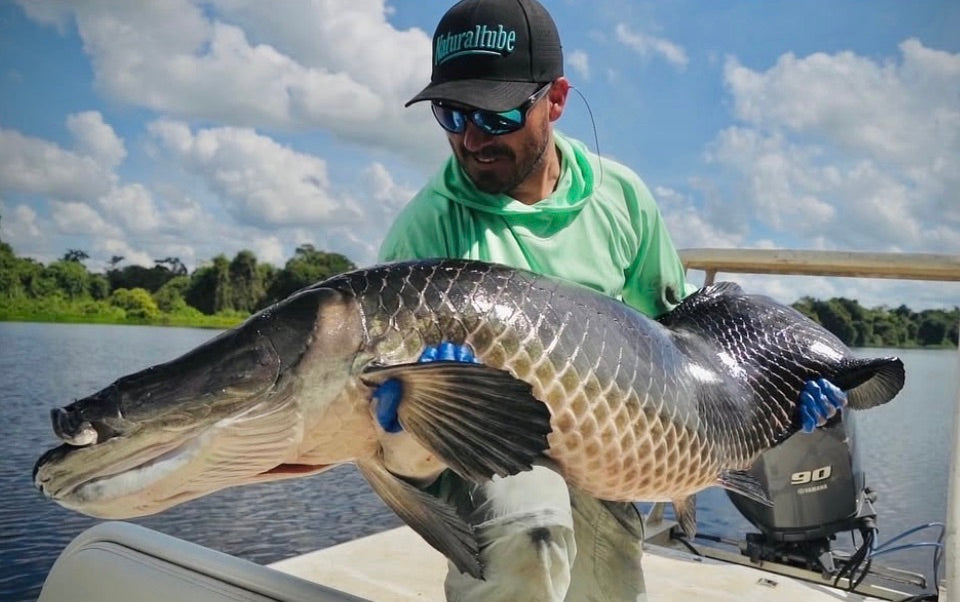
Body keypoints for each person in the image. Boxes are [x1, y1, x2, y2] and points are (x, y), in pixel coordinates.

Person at [375, 1, 846, 600]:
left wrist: (774, 406)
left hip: (602, 451)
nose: (470, 137)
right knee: (532, 525)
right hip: (482, 450)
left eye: (496, 115)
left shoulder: (622, 199)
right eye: (452, 111)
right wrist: (412, 415)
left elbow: (682, 343)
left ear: (557, 100)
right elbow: (398, 445)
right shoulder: (424, 231)